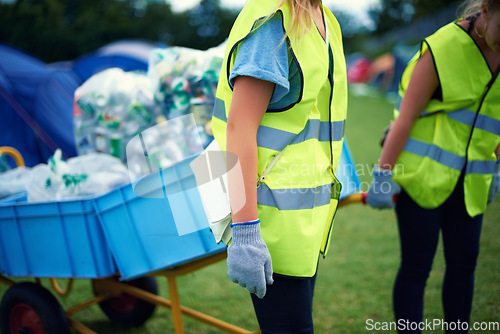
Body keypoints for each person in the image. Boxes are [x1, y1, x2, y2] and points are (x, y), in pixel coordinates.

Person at [210, 0, 348, 332]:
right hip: (266, 219)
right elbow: (238, 128)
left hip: (302, 216)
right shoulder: (272, 22)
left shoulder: (325, 18)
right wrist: (245, 233)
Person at [366, 0, 500, 333]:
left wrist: (496, 167)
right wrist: (383, 175)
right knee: (416, 269)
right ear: (486, 9)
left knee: (464, 267)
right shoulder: (443, 47)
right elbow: (406, 117)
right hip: (421, 179)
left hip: (471, 183)